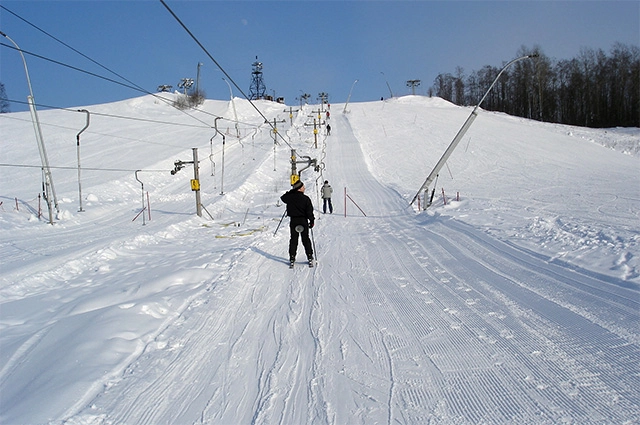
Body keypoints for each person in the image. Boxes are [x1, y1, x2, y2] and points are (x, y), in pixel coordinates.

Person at [280, 180, 315, 267]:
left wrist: (292, 191)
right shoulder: (306, 199)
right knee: (305, 239)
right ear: (300, 189)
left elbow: (283, 198)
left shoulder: (290, 197)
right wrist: (312, 221)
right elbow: (309, 211)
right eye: (303, 187)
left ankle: (292, 257)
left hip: (294, 221)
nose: (304, 188)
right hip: (303, 221)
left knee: (293, 239)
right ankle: (310, 257)